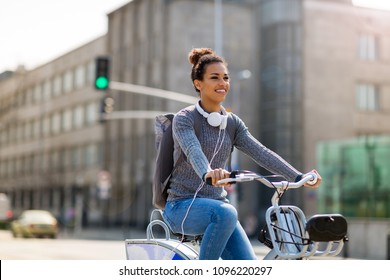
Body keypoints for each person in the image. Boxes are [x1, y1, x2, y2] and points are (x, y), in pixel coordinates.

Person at [162, 47, 322, 260]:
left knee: (248, 267)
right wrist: (207, 172)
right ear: (198, 84)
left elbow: (261, 152)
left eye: (225, 78)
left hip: (219, 209)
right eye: (215, 77)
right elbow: (193, 150)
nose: (223, 83)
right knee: (227, 212)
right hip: (181, 207)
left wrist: (298, 176)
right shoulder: (185, 119)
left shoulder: (232, 123)